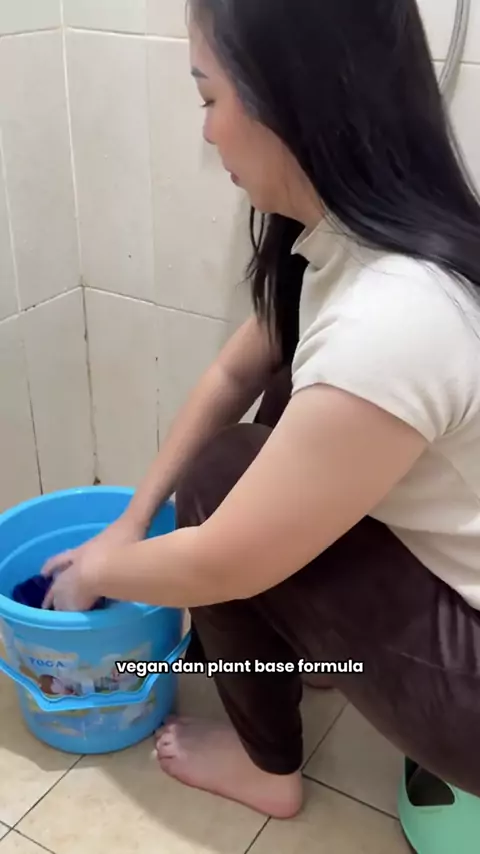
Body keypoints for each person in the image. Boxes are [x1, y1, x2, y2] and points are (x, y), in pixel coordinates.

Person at [41, 0, 480, 820]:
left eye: (209, 97)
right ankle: (306, 661)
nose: (206, 132)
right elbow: (232, 373)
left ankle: (265, 766)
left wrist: (93, 572)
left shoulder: (395, 316)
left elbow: (222, 563)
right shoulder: (356, 239)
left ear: (291, 97)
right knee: (277, 403)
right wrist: (129, 523)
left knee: (222, 480)